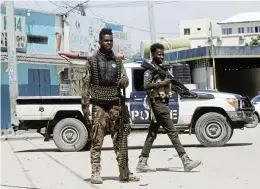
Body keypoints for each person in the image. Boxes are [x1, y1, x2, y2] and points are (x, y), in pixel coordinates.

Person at [81, 28, 140, 184]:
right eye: (106, 40)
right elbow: (86, 83)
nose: (109, 43)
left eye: (111, 41)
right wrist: (85, 106)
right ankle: (95, 173)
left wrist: (124, 82)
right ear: (100, 41)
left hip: (115, 105)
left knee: (120, 140)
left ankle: (124, 172)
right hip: (99, 105)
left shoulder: (118, 61)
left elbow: (125, 79)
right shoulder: (92, 61)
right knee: (96, 140)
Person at [136, 43, 202, 173]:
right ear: (153, 54)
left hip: (163, 103)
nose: (161, 56)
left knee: (152, 134)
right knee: (172, 132)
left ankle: (142, 162)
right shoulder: (150, 70)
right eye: (158, 54)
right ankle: (186, 160)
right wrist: (162, 83)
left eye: (162, 54)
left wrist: (188, 92)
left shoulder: (162, 70)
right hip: (158, 104)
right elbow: (146, 85)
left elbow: (174, 84)